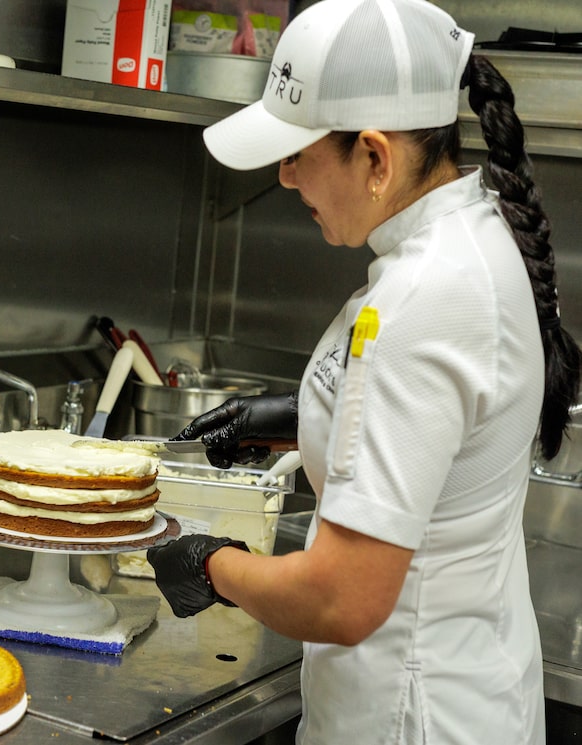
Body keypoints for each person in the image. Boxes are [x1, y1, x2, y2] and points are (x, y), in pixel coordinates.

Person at [146, 1, 581, 743]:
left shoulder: (419, 299)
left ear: (375, 158)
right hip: (471, 692)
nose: (284, 177)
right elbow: (449, 429)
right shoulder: (474, 236)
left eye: (298, 153)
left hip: (410, 717)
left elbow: (341, 599)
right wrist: (297, 420)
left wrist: (211, 562)